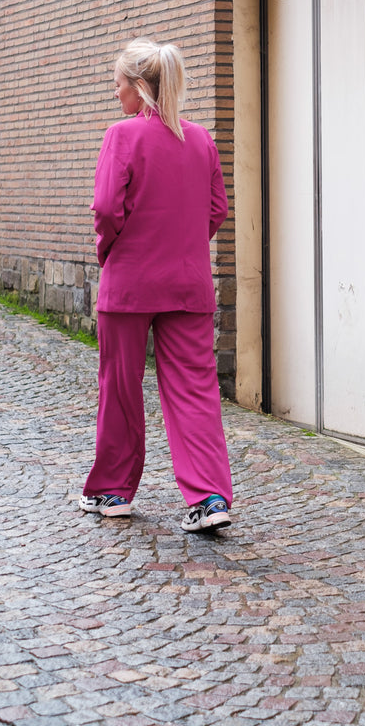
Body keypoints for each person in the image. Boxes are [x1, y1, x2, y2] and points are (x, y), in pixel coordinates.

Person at [79, 38, 233, 533]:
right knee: (195, 391)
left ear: (139, 88)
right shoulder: (201, 140)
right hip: (187, 284)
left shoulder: (121, 136)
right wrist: (183, 245)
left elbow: (106, 209)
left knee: (120, 387)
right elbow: (217, 211)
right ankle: (209, 499)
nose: (115, 92)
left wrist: (110, 250)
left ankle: (113, 492)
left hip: (128, 282)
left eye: (119, 84)